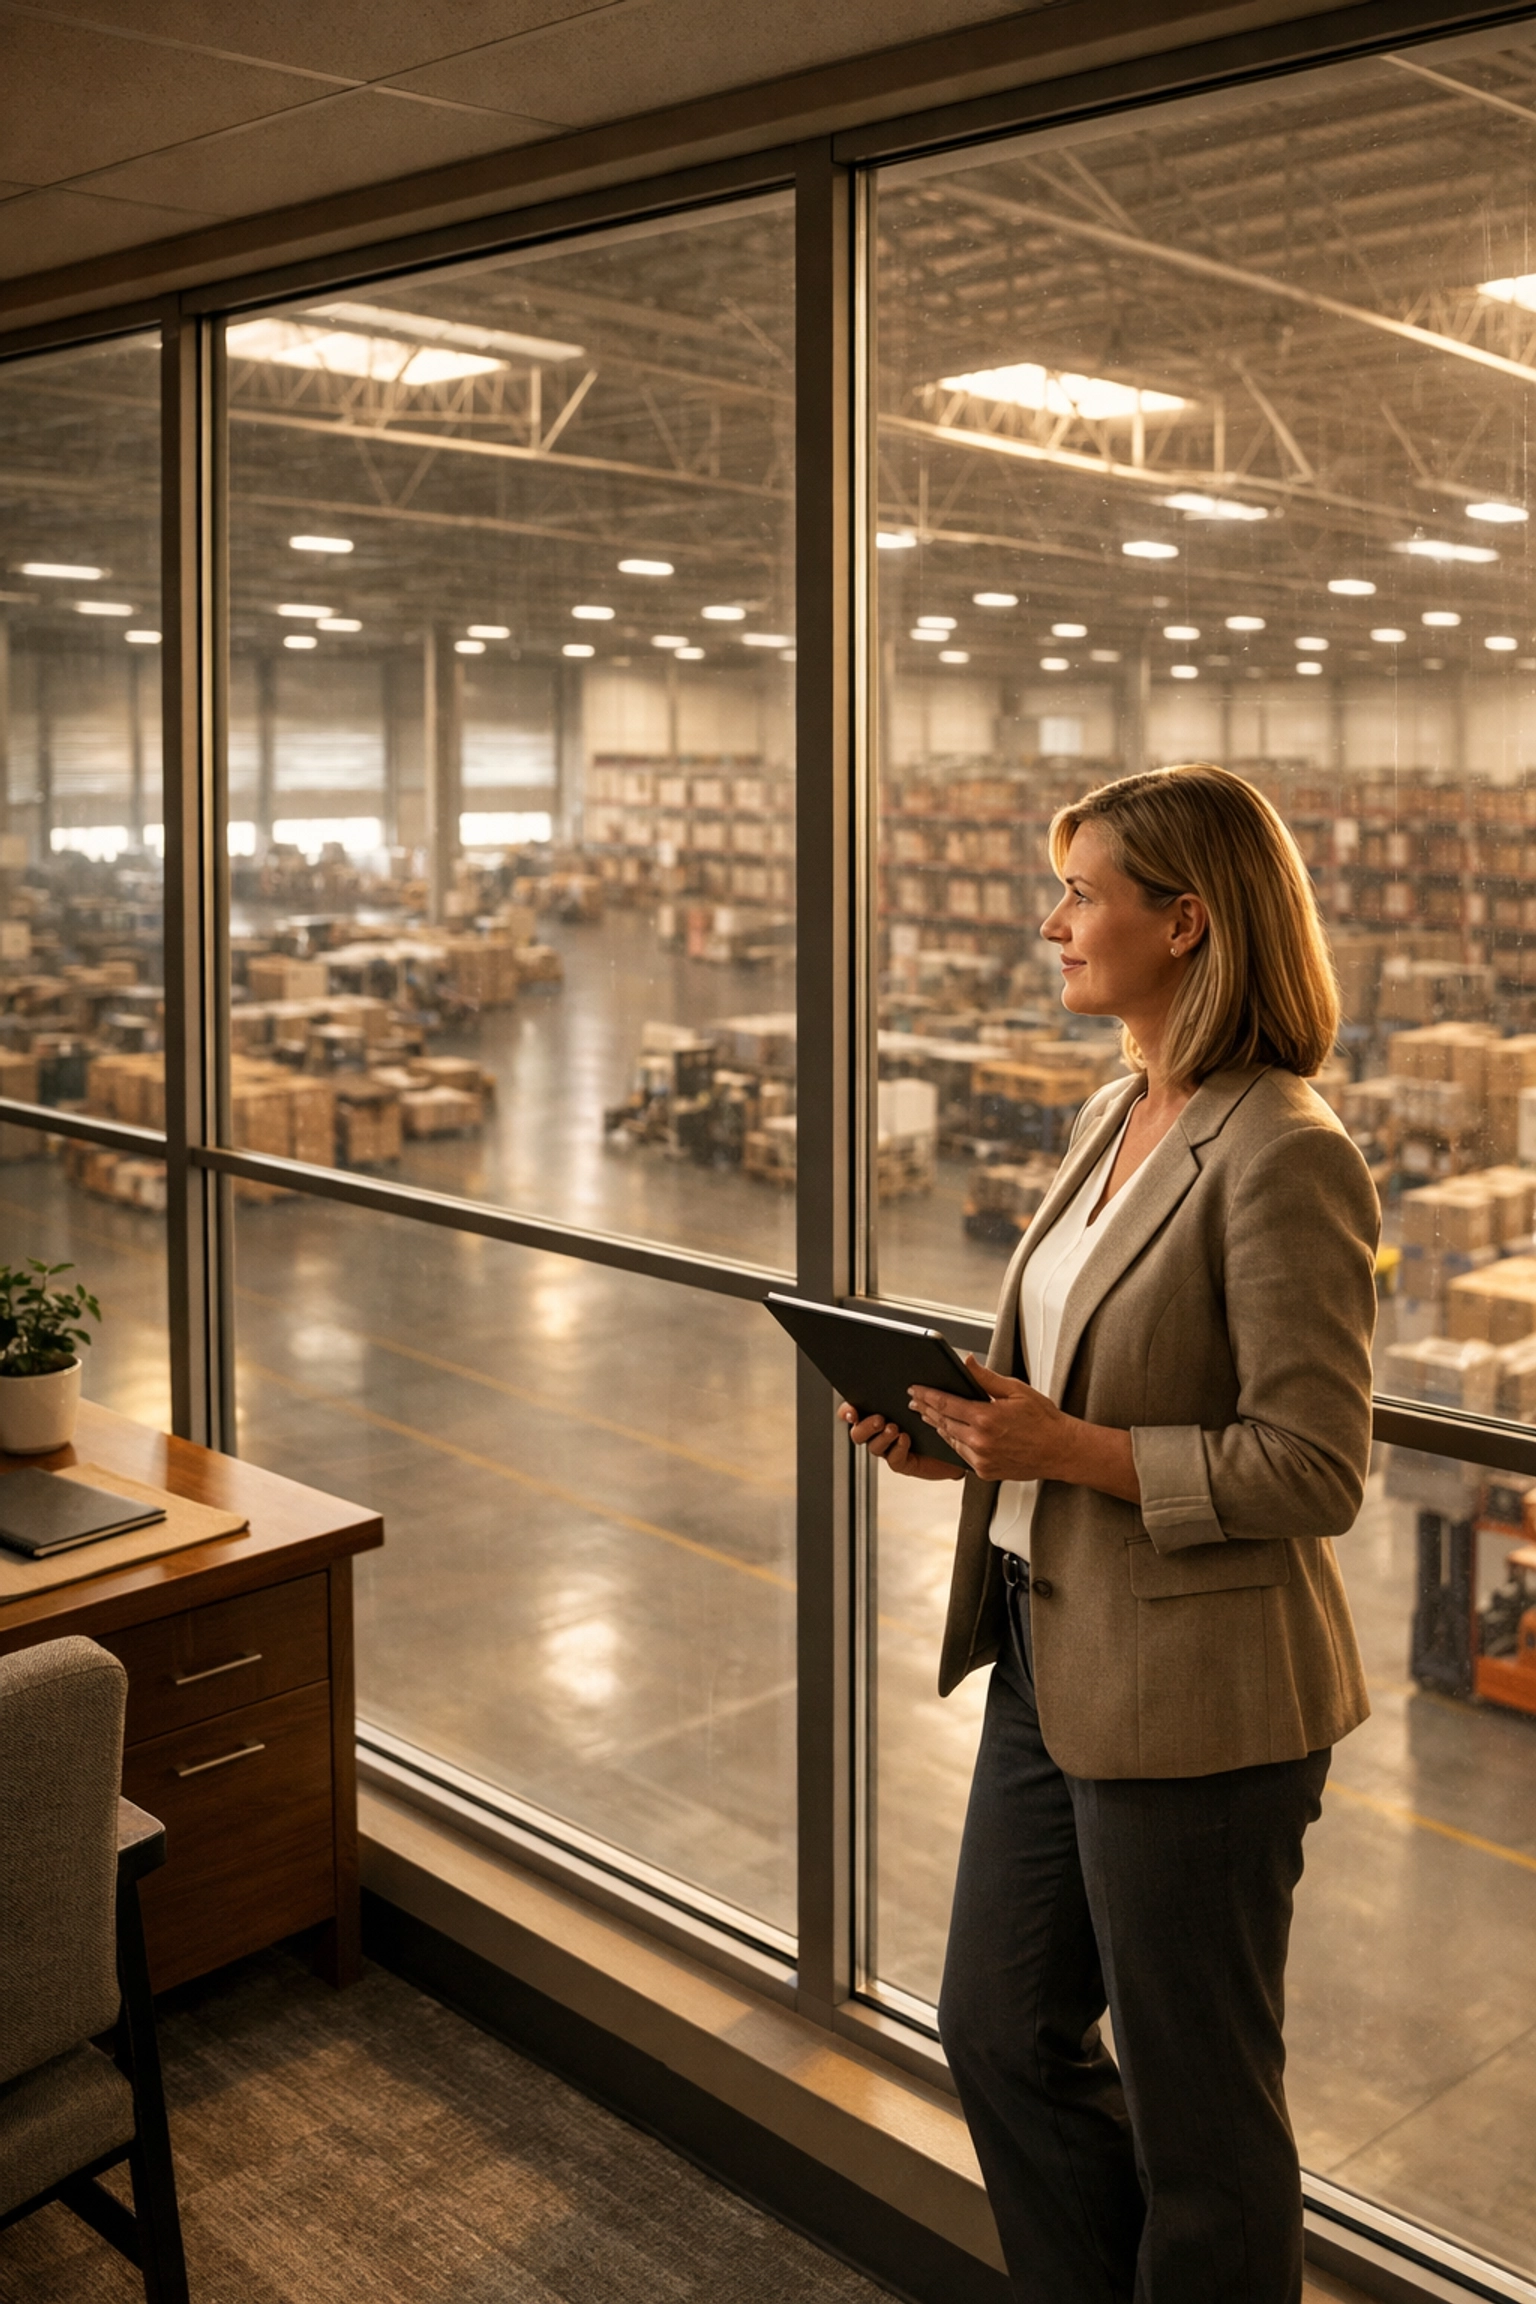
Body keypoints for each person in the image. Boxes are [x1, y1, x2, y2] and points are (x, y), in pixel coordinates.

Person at [843, 764, 1378, 2304]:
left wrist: (1065, 1449)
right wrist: (965, 1446)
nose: (1051, 920)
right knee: (998, 2031)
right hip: (1043, 1641)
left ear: (1187, 923)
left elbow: (1316, 1466)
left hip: (1203, 1703)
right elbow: (1076, 1384)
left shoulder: (1285, 1149)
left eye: (1083, 892)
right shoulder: (1110, 1110)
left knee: (1207, 2123)